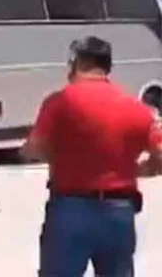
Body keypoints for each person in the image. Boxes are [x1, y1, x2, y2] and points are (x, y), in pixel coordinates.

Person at [21, 36, 162, 277]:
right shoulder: (135, 108)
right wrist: (140, 169)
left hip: (70, 209)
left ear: (77, 63)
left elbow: (35, 149)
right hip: (119, 212)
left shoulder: (59, 102)